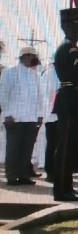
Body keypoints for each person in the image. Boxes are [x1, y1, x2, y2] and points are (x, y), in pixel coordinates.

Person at [52, 5, 78, 201]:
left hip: (70, 100)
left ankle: (66, 186)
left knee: (69, 145)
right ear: (70, 28)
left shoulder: (69, 48)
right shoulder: (70, 49)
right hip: (70, 99)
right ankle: (62, 189)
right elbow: (77, 79)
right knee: (66, 146)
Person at [0, 46, 43, 186]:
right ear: (25, 56)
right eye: (32, 56)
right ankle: (12, 177)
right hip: (15, 118)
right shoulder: (10, 72)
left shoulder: (35, 75)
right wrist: (7, 114)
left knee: (27, 148)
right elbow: (4, 94)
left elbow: (38, 97)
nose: (34, 59)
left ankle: (24, 175)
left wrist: (39, 115)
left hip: (30, 118)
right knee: (13, 148)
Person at [40, 61, 60, 182]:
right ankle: (50, 171)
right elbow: (45, 95)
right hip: (51, 115)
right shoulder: (48, 75)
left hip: (62, 115)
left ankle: (57, 170)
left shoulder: (63, 73)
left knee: (59, 144)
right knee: (52, 144)